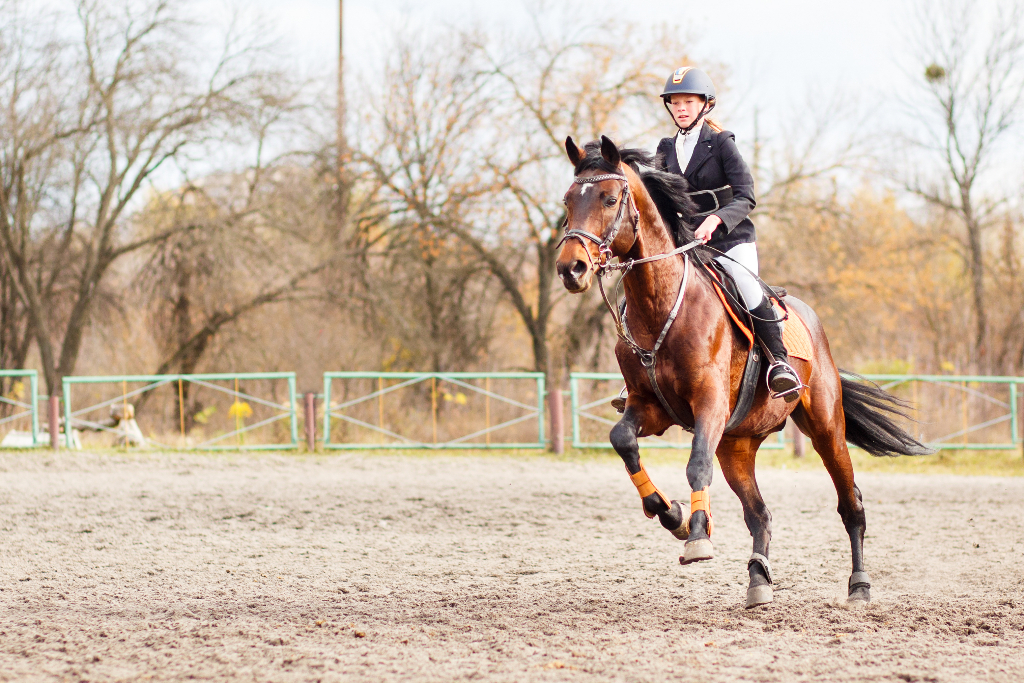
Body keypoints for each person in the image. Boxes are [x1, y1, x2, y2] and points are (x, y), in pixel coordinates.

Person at [656, 66, 800, 401]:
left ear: (705, 104)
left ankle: (779, 363)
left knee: (747, 287)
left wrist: (717, 220)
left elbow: (746, 195)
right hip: (688, 243)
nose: (681, 108)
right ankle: (643, 374)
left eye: (688, 101)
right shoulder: (665, 148)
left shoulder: (720, 143)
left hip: (731, 240)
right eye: (675, 102)